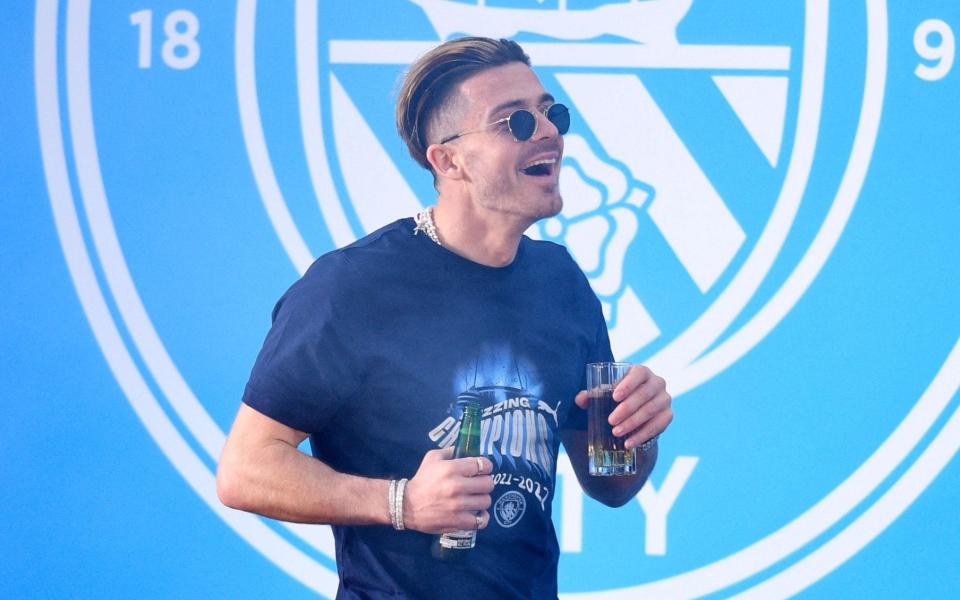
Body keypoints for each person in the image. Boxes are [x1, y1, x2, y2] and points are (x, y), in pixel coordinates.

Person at [217, 36, 673, 599]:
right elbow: (245, 469)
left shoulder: (561, 282)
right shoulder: (351, 287)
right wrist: (402, 503)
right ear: (448, 159)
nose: (550, 131)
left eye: (550, 112)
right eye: (515, 122)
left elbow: (611, 483)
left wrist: (638, 429)